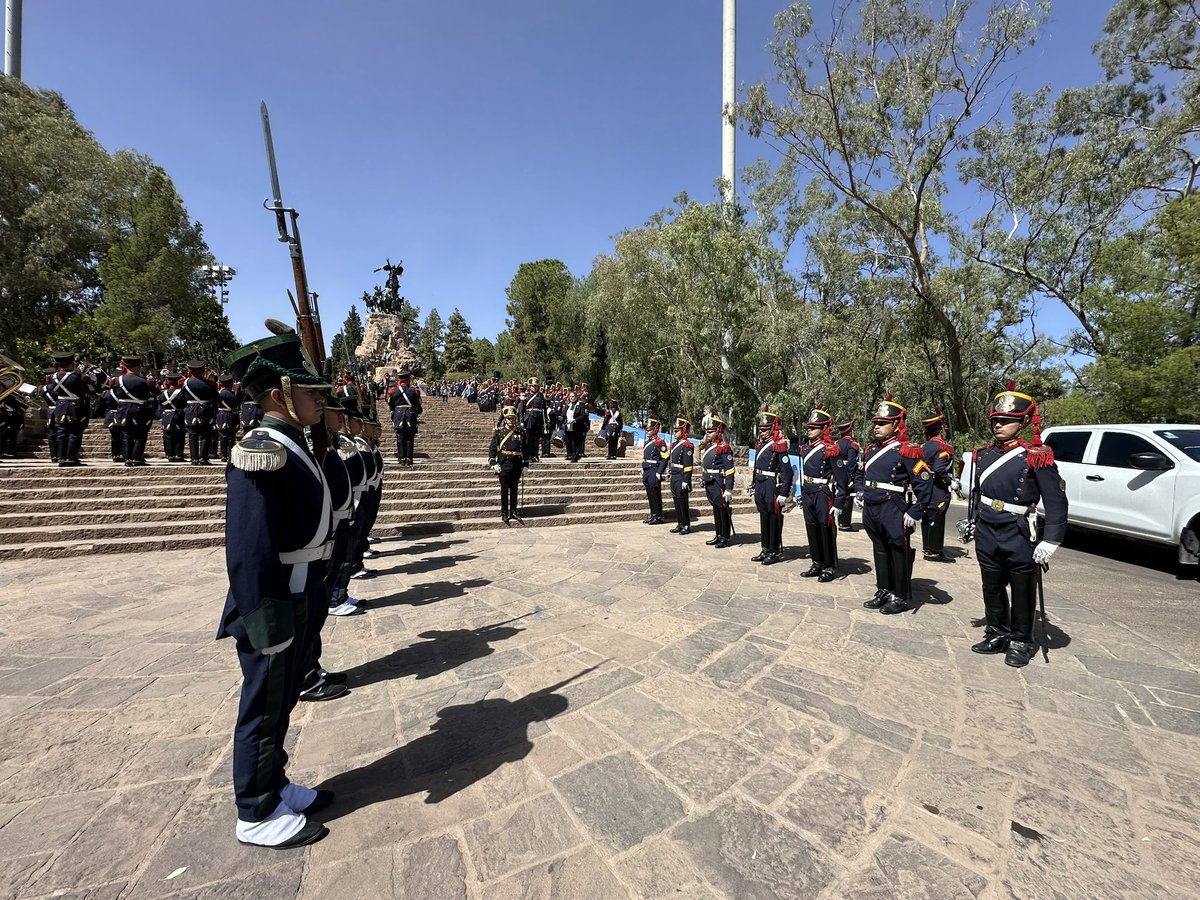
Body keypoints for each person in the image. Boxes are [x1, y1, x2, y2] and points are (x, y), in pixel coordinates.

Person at [217, 322, 335, 849]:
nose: (317, 398)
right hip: (275, 598)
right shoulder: (261, 448)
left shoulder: (291, 442)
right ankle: (254, 811)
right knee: (263, 706)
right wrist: (267, 617)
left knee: (282, 700)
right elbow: (248, 548)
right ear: (277, 393)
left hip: (301, 590)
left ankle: (273, 784)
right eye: (308, 390)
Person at [966, 382, 1068, 668]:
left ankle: (1021, 640)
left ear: (1024, 421)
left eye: (1007, 421)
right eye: (996, 420)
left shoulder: (1036, 455)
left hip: (1018, 530)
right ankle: (996, 632)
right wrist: (973, 520)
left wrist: (1051, 540)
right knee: (992, 585)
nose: (999, 425)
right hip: (987, 527)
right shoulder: (984, 455)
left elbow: (1057, 501)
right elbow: (978, 494)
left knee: (1022, 588)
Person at [854, 395, 934, 615]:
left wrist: (916, 511)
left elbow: (925, 484)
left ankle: (900, 595)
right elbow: (860, 475)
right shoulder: (870, 450)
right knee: (879, 549)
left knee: (898, 550)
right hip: (872, 507)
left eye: (882, 423)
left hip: (893, 506)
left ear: (896, 425)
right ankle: (884, 589)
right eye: (875, 423)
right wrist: (861, 491)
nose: (877, 427)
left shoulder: (907, 450)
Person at [298, 394, 353, 701]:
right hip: (301, 558)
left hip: (322, 545)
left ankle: (311, 669)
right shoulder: (296, 448)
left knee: (315, 615)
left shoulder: (326, 444)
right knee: (306, 618)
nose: (337, 416)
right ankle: (305, 676)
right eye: (336, 412)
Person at [798, 407, 849, 582]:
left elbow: (842, 479)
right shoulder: (806, 448)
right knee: (811, 527)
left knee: (825, 528)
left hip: (822, 492)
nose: (809, 430)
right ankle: (816, 562)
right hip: (808, 491)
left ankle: (828, 566)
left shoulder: (831, 449)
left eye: (813, 427)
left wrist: (839, 502)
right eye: (809, 427)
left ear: (824, 429)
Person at [751, 407, 794, 565]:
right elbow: (756, 467)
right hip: (761, 483)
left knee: (774, 517)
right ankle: (765, 548)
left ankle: (774, 550)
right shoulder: (760, 445)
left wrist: (784, 492)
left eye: (765, 429)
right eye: (761, 429)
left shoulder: (779, 446)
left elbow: (787, 472)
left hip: (771, 484)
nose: (762, 432)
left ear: (773, 429)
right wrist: (753, 483)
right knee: (764, 516)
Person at [919, 409, 956, 560]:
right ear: (941, 430)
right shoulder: (942, 448)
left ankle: (927, 547)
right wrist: (950, 481)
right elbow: (939, 469)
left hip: (924, 488)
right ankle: (935, 550)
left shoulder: (923, 447)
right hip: (937, 489)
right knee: (937, 518)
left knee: (927, 517)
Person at [47, 352, 95, 467]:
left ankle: (61, 458)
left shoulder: (53, 377)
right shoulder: (77, 377)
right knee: (74, 432)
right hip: (74, 406)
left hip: (60, 406)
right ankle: (71, 457)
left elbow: (52, 390)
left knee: (61, 432)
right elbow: (90, 391)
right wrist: (89, 381)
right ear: (72, 363)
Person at [111, 355, 155, 467]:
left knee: (126, 434)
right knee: (140, 434)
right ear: (139, 366)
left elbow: (114, 395)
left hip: (123, 409)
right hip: (139, 409)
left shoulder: (116, 381)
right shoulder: (144, 381)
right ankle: (137, 458)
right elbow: (152, 395)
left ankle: (128, 458)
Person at [699, 415, 736, 548]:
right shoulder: (709, 446)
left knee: (722, 509)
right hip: (710, 481)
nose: (708, 434)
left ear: (718, 432)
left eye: (711, 431)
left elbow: (730, 469)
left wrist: (729, 489)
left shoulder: (723, 447)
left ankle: (725, 537)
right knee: (715, 508)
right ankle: (718, 534)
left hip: (718, 482)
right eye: (707, 431)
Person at [488, 405, 527, 524]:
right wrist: (493, 462)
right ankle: (504, 512)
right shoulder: (499, 432)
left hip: (516, 463)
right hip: (504, 463)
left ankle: (514, 510)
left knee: (514, 488)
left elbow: (525, 448)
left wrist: (526, 464)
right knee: (504, 489)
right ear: (505, 419)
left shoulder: (520, 431)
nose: (511, 420)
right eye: (509, 418)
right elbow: (493, 449)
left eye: (513, 418)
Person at [183, 360, 218, 465]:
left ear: (190, 370)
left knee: (192, 435)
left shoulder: (186, 383)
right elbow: (217, 398)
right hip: (205, 410)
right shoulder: (209, 384)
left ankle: (194, 459)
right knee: (205, 434)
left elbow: (181, 398)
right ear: (202, 370)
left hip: (190, 410)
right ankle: (203, 458)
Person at [387, 367, 422, 466]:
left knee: (400, 437)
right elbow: (418, 406)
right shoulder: (413, 391)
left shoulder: (394, 391)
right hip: (410, 415)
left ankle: (401, 458)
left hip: (398, 415)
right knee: (409, 437)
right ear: (408, 379)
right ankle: (409, 459)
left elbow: (391, 405)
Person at [667, 417, 695, 535]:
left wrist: (686, 480)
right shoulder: (674, 445)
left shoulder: (687, 445)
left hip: (681, 475)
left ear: (683, 431)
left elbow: (688, 465)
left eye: (677, 431)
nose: (674, 433)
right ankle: (680, 522)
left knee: (682, 501)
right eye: (674, 431)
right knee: (676, 500)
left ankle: (686, 525)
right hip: (674, 474)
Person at [640, 417, 670, 525]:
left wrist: (659, 472)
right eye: (646, 430)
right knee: (650, 493)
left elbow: (665, 458)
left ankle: (658, 516)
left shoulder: (659, 442)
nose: (647, 432)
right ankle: (653, 514)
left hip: (654, 470)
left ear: (655, 430)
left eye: (649, 430)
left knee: (655, 493)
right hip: (647, 469)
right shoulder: (648, 441)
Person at [835, 419, 860, 532]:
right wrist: (851, 476)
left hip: (837, 472)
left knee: (839, 495)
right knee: (847, 498)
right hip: (847, 473)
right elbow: (851, 463)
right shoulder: (852, 444)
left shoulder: (836, 443)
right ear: (850, 431)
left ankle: (840, 520)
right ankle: (845, 523)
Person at [158, 369, 188, 462]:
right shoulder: (182, 393)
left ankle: (170, 454)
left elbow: (161, 403)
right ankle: (178, 454)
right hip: (178, 415)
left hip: (167, 415)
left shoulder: (163, 394)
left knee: (167, 435)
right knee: (179, 435)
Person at [214, 373, 241, 463]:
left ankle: (223, 455)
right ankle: (230, 455)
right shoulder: (234, 395)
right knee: (231, 437)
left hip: (221, 415)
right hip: (231, 415)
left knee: (222, 436)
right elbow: (237, 404)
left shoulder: (218, 394)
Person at [519, 377, 546, 464]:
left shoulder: (540, 396)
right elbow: (522, 410)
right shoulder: (526, 396)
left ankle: (536, 455)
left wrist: (546, 421)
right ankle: (529, 455)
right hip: (529, 418)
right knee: (529, 438)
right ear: (529, 387)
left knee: (536, 438)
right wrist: (522, 421)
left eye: (536, 386)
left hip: (538, 418)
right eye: (532, 386)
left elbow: (544, 409)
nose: (534, 388)